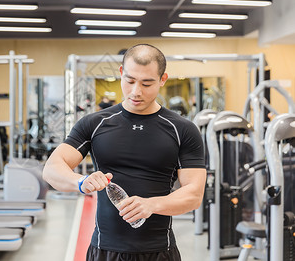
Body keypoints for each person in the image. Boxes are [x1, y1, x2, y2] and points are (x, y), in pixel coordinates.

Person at [42, 44, 206, 261]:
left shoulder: (182, 129)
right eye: (129, 81)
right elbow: (52, 169)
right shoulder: (95, 123)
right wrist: (81, 182)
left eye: (147, 83)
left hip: (159, 252)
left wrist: (151, 204)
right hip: (104, 250)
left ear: (163, 79)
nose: (136, 91)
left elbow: (194, 194)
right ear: (121, 73)